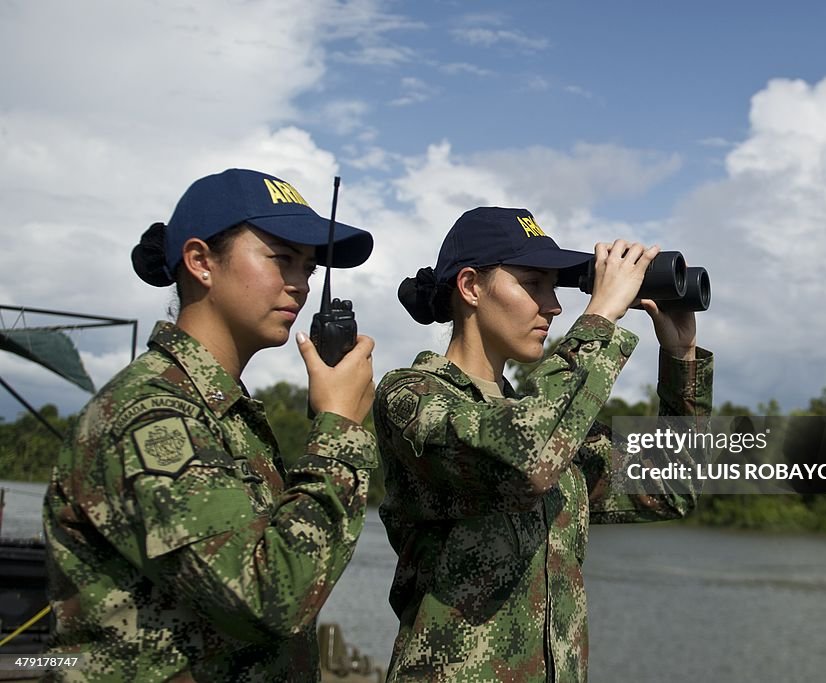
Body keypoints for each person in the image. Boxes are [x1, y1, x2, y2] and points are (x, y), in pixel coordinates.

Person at [42, 168, 378, 680]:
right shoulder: (153, 414)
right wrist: (338, 431)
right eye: (281, 258)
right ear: (201, 262)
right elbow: (268, 599)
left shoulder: (223, 413)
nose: (301, 285)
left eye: (309, 267)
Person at [374, 207, 714, 681]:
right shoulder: (411, 396)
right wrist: (599, 317)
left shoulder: (549, 420)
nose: (553, 305)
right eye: (532, 284)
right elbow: (522, 457)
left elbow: (672, 487)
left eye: (554, 286)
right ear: (470, 287)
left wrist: (681, 359)